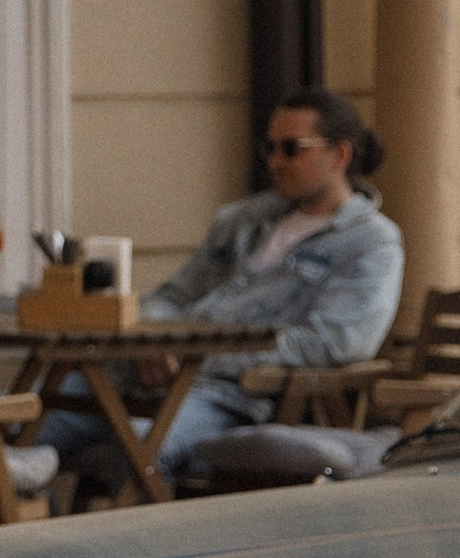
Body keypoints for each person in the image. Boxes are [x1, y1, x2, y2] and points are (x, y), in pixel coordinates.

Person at [39, 88, 405, 494]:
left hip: (232, 397)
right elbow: (173, 295)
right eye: (270, 147)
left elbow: (337, 342)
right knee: (21, 420)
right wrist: (153, 338)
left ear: (340, 156)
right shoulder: (243, 219)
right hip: (134, 374)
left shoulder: (371, 242)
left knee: (140, 449)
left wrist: (196, 350)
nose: (274, 161)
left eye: (291, 149)